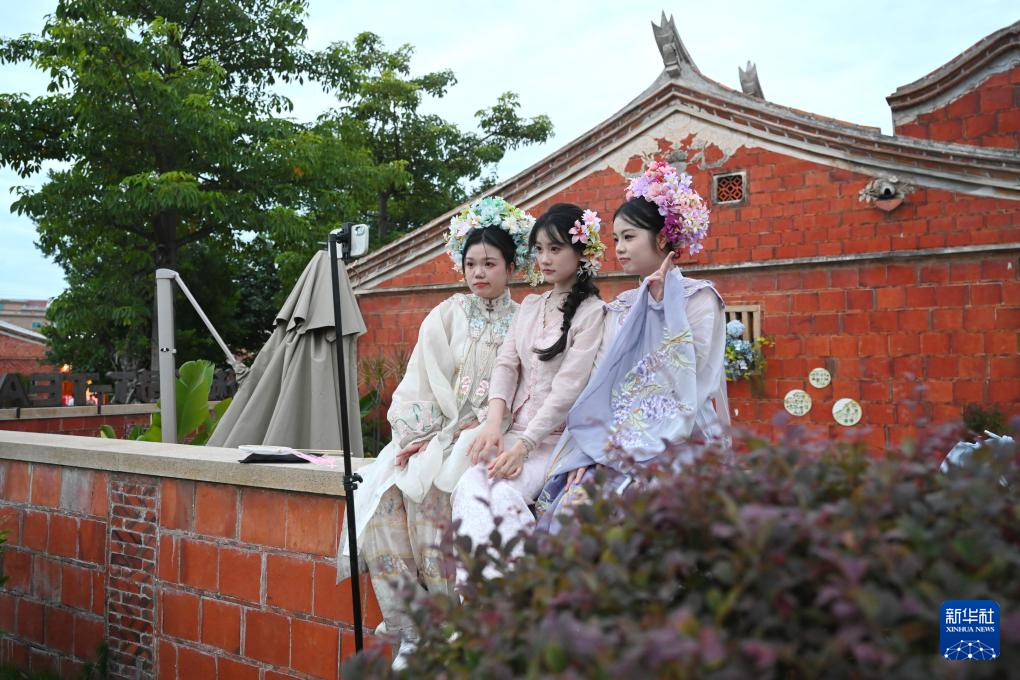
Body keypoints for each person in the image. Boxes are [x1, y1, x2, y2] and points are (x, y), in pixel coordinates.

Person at [337, 196, 532, 669]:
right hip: (438, 432)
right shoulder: (447, 314)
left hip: (495, 434)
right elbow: (419, 381)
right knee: (384, 500)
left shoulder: (527, 320)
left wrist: (482, 426)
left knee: (436, 496)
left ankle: (449, 624)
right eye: (471, 263)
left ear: (512, 266)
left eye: (490, 263)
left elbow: (529, 388)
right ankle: (413, 628)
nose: (479, 273)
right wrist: (419, 437)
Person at [536, 161, 730, 533]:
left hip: (679, 437)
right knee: (571, 508)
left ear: (662, 238)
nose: (620, 249)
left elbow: (691, 383)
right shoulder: (620, 306)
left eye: (629, 237)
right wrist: (593, 448)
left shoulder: (700, 300)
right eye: (615, 240)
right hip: (614, 437)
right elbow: (604, 385)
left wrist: (665, 307)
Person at [451, 203, 606, 578]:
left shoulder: (592, 313)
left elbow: (568, 390)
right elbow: (506, 365)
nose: (545, 259)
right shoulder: (531, 306)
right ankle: (478, 596)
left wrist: (523, 447)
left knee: (505, 494)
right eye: (539, 249)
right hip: (513, 432)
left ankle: (515, 593)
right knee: (469, 486)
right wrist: (492, 424)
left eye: (555, 248)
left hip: (553, 442)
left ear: (581, 252)